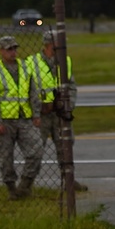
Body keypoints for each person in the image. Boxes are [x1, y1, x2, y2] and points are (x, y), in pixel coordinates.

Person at [0, 36, 43, 199]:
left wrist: (36, 114)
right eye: (9, 49)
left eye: (14, 49)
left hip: (24, 118)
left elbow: (33, 93)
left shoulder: (25, 68)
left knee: (36, 151)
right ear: (1, 51)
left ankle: (25, 185)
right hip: (5, 121)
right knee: (6, 158)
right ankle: (12, 189)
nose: (13, 52)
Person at [26, 28, 77, 156]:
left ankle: (66, 174)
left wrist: (68, 107)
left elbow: (72, 86)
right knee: (35, 150)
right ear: (50, 45)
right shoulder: (31, 63)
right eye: (61, 44)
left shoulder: (65, 61)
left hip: (60, 112)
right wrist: (34, 111)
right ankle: (29, 176)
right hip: (41, 114)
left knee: (66, 148)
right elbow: (25, 89)